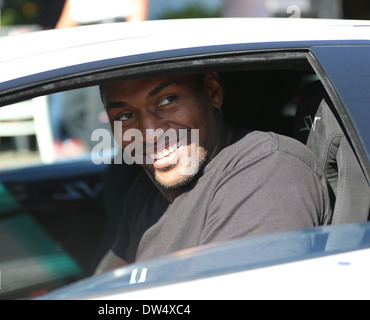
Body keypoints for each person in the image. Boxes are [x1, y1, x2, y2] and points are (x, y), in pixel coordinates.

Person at [95, 72, 334, 274]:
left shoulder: (269, 171)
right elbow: (103, 282)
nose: (149, 133)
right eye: (125, 116)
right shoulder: (145, 191)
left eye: (167, 100)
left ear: (213, 92)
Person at [49, 0, 149, 158]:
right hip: (82, 58)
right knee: (71, 113)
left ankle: (113, 165)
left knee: (101, 123)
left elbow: (137, 25)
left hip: (113, 56)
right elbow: (63, 28)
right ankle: (100, 157)